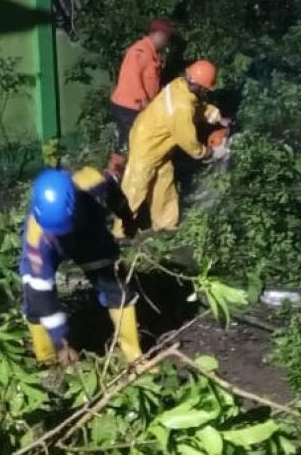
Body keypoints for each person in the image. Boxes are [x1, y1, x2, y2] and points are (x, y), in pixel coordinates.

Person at [20, 160, 140, 365]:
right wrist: (60, 341)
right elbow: (42, 294)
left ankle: (134, 357)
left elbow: (116, 196)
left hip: (88, 234)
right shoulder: (37, 239)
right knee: (35, 303)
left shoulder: (93, 183)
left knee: (115, 288)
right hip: (50, 246)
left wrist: (126, 218)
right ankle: (47, 361)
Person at [114, 60, 229, 236]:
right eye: (205, 89)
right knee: (135, 188)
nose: (206, 92)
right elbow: (188, 142)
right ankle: (120, 234)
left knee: (163, 180)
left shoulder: (180, 85)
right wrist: (209, 152)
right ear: (197, 85)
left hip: (157, 139)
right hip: (146, 144)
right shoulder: (180, 108)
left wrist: (216, 117)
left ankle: (166, 226)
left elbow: (195, 108)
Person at [109, 18, 173, 155]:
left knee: (136, 146)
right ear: (159, 35)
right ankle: (116, 174)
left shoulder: (152, 54)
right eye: (167, 38)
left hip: (135, 108)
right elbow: (132, 79)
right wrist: (145, 103)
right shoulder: (139, 52)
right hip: (129, 109)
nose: (167, 43)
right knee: (127, 148)